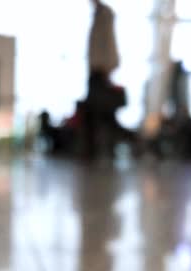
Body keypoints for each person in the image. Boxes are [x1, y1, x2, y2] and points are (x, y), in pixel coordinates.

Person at [83, 0, 124, 158]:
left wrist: (108, 67)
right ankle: (98, 150)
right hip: (98, 69)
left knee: (102, 115)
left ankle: (101, 150)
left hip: (100, 70)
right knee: (101, 115)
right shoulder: (99, 14)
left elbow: (108, 42)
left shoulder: (105, 14)